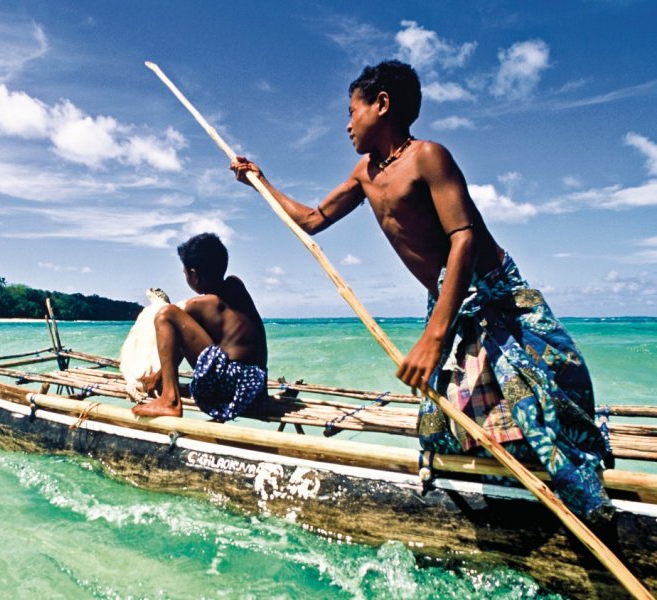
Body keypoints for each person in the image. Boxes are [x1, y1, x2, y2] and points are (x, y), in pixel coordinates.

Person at [230, 60, 612, 523]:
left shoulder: (428, 157)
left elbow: (464, 239)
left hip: (492, 294)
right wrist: (260, 181)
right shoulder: (364, 174)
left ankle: (580, 501)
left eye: (353, 110)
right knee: (443, 424)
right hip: (447, 301)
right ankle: (498, 500)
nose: (346, 123)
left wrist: (434, 338)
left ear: (382, 105)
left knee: (550, 403)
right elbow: (312, 219)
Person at [131, 232, 268, 422]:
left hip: (233, 390)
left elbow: (174, 331)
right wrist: (159, 375)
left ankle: (169, 400)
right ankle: (167, 386)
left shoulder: (199, 305)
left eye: (185, 272)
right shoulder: (236, 285)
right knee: (179, 323)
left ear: (193, 275)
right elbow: (187, 340)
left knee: (166, 315)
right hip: (256, 387)